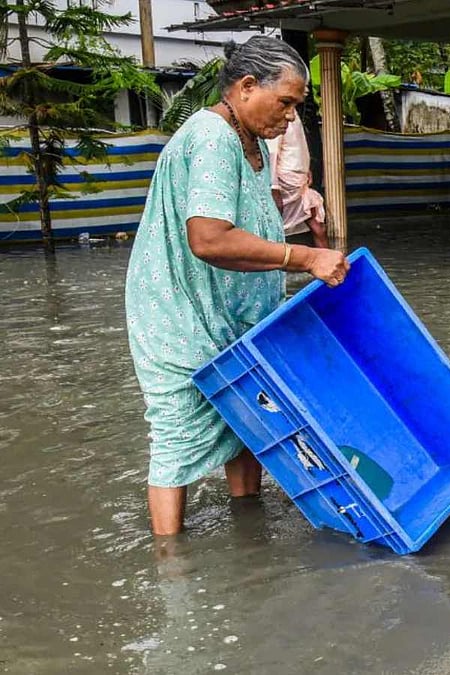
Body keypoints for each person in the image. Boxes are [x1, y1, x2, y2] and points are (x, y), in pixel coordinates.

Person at [125, 37, 350, 537]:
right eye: (285, 102)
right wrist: (305, 257)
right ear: (247, 87)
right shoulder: (212, 137)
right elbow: (208, 239)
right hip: (184, 314)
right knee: (177, 431)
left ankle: (249, 529)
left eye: (296, 106)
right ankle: (169, 560)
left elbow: (248, 226)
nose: (290, 117)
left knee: (248, 420)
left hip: (231, 312)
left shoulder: (250, 141)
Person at [265, 115, 329, 249]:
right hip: (286, 184)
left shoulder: (292, 113)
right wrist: (274, 186)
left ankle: (328, 260)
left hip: (299, 182)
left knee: (318, 226)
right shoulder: (277, 115)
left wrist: (306, 168)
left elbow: (297, 146)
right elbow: (272, 152)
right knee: (274, 229)